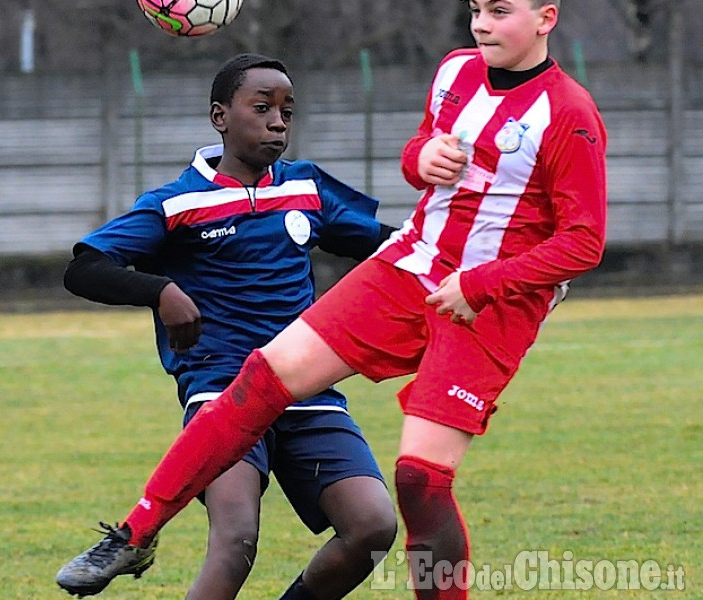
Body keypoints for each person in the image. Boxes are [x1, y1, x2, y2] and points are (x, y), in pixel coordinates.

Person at [57, 1, 608, 599]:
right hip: (408, 265)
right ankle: (135, 533)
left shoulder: (570, 113)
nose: (480, 24)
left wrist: (481, 283)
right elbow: (420, 153)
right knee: (258, 391)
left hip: (486, 299)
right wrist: (420, 159)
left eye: (499, 12)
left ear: (546, 18)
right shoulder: (454, 71)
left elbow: (584, 241)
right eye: (476, 9)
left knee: (416, 485)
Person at [55, 53, 398, 599]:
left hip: (308, 391)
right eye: (261, 107)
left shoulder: (306, 189)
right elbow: (85, 267)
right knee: (236, 539)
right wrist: (162, 291)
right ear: (220, 116)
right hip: (223, 393)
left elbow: (394, 246)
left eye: (287, 110)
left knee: (373, 527)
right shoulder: (177, 202)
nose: (278, 121)